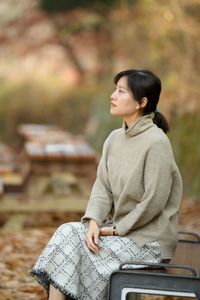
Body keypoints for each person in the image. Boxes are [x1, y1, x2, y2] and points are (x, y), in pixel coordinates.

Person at [31, 69, 183, 300]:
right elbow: (102, 187)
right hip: (119, 233)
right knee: (68, 233)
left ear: (141, 102)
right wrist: (93, 221)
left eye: (121, 91)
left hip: (147, 243)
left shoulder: (157, 143)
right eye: (115, 89)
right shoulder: (114, 139)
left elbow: (153, 201)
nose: (112, 95)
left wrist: (115, 230)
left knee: (72, 247)